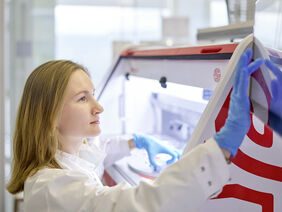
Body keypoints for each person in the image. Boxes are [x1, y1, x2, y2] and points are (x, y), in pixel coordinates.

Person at [6, 49, 263, 211]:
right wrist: (222, 146)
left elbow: (98, 150)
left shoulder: (70, 156)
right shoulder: (52, 188)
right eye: (82, 99)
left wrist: (137, 141)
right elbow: (139, 205)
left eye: (93, 95)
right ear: (50, 114)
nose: (99, 107)